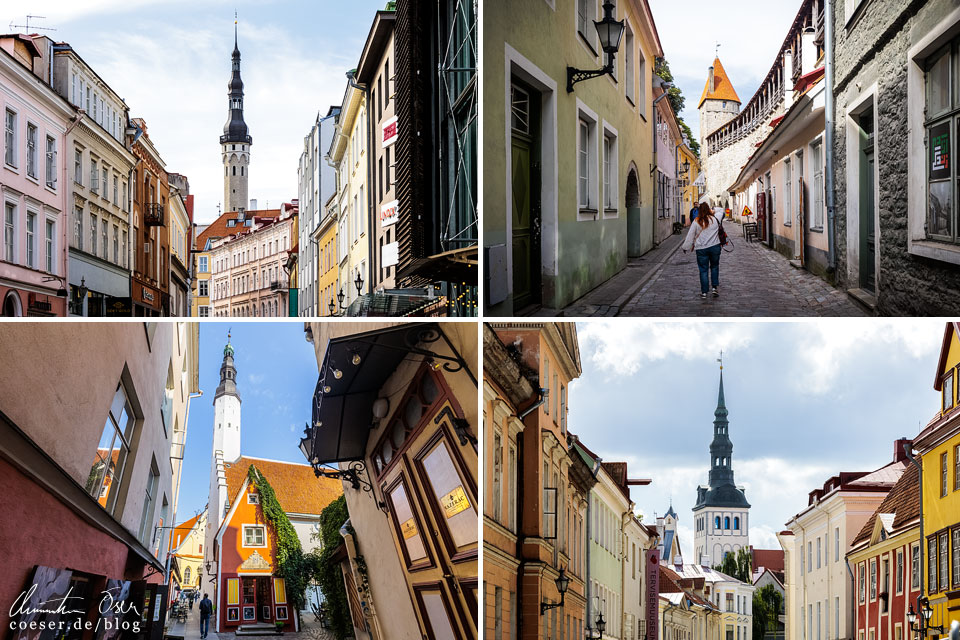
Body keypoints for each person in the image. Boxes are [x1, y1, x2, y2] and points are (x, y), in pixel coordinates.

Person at [682, 202, 723, 298]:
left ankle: (704, 292)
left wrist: (685, 247)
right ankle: (714, 288)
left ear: (699, 211)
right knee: (714, 267)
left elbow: (690, 235)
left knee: (703, 270)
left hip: (701, 249)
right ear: (709, 209)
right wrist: (713, 210)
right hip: (714, 247)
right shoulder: (715, 218)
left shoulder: (696, 221)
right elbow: (721, 210)